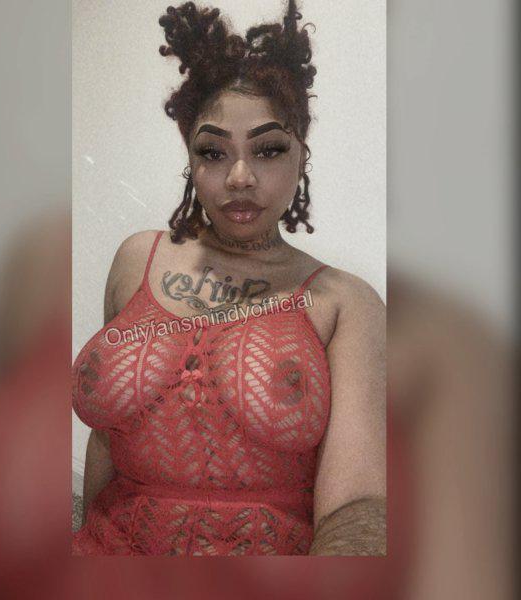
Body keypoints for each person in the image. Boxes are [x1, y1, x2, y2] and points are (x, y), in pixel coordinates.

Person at [72, 0, 385, 556]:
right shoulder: (136, 259)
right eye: (214, 151)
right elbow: (107, 440)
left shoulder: (345, 303)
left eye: (268, 149)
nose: (240, 176)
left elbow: (357, 505)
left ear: (301, 155)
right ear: (191, 160)